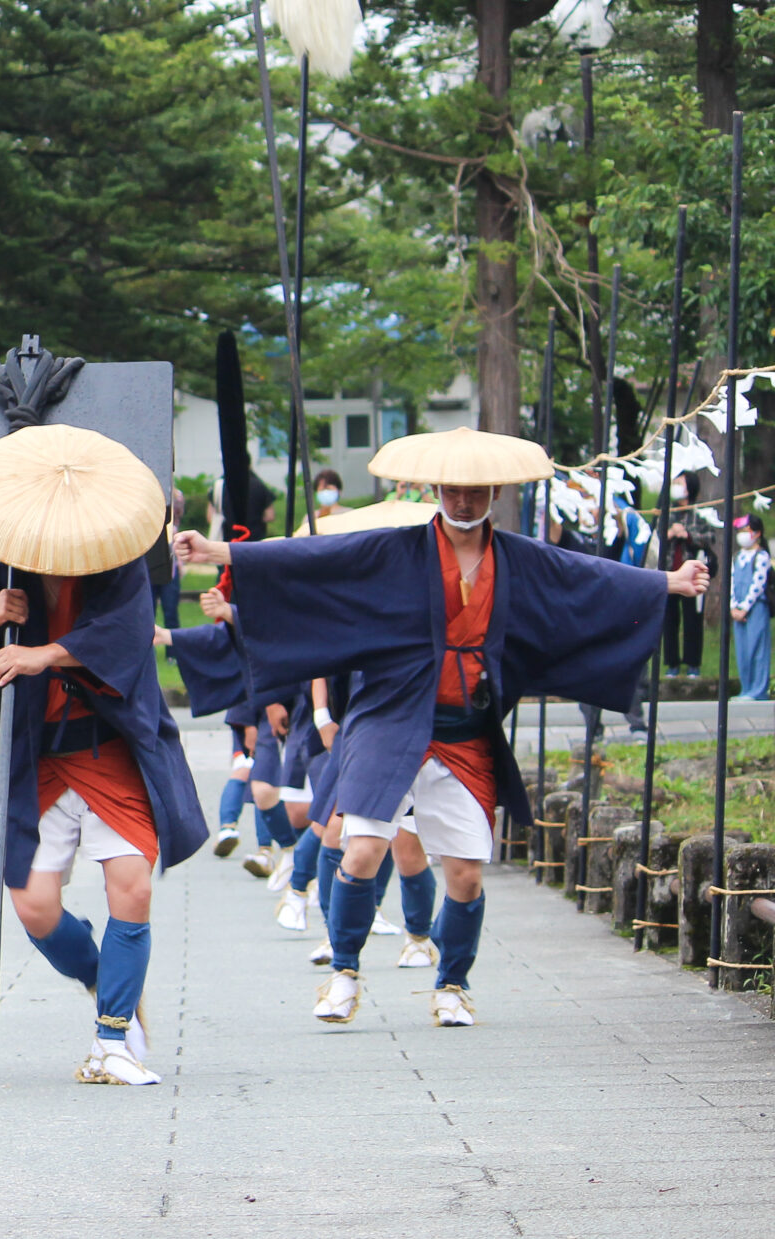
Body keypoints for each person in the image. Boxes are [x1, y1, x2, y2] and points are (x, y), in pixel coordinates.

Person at [176, 427, 709, 1029]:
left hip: (465, 726)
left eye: (474, 491)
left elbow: (583, 575)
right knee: (362, 850)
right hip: (390, 718)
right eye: (452, 491)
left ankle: (452, 982)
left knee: (464, 870)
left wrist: (667, 583)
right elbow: (316, 560)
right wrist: (219, 553)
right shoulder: (396, 550)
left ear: (494, 493)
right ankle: (343, 972)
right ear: (436, 489)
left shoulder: (516, 556)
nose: (462, 501)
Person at [0, 428, 207, 1089]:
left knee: (133, 883)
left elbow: (124, 636)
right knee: (35, 906)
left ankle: (113, 1038)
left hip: (109, 746)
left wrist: (43, 653)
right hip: (32, 756)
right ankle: (101, 977)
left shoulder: (118, 557)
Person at [663, 474, 712, 679]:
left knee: (693, 620)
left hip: (692, 575)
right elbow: (655, 537)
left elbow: (710, 536)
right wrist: (670, 533)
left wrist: (688, 535)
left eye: (680, 483)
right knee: (669, 621)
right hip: (668, 574)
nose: (676, 487)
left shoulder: (700, 513)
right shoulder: (667, 512)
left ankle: (693, 664)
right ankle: (672, 664)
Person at [733, 516, 770, 701]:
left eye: (745, 530)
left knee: (758, 649)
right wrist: (733, 607)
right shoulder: (738, 557)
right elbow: (731, 582)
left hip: (755, 608)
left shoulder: (761, 556)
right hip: (737, 609)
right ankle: (745, 688)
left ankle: (758, 689)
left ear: (756, 533)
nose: (741, 535)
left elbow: (758, 584)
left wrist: (744, 608)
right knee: (743, 650)